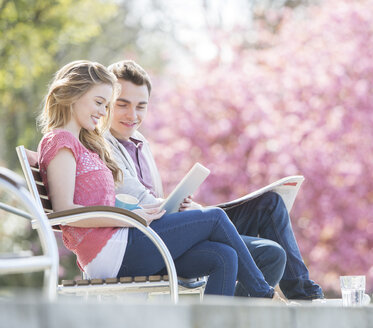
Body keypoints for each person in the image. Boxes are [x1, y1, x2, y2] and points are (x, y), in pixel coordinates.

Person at [37, 60, 277, 298]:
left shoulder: (82, 144)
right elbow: (65, 211)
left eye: (106, 105)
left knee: (224, 256)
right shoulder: (60, 142)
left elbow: (86, 191)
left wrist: (139, 211)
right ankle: (263, 294)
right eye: (99, 102)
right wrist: (128, 218)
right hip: (112, 251)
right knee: (215, 217)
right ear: (71, 95)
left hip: (125, 242)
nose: (102, 112)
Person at [105, 60, 324, 300]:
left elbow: (154, 199)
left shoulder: (140, 143)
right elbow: (138, 200)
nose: (133, 115)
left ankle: (303, 296)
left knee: (270, 209)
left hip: (175, 228)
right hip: (150, 240)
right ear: (106, 103)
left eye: (141, 106)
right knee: (257, 248)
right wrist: (190, 213)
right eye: (122, 105)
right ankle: (283, 298)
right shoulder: (103, 146)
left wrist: (184, 205)